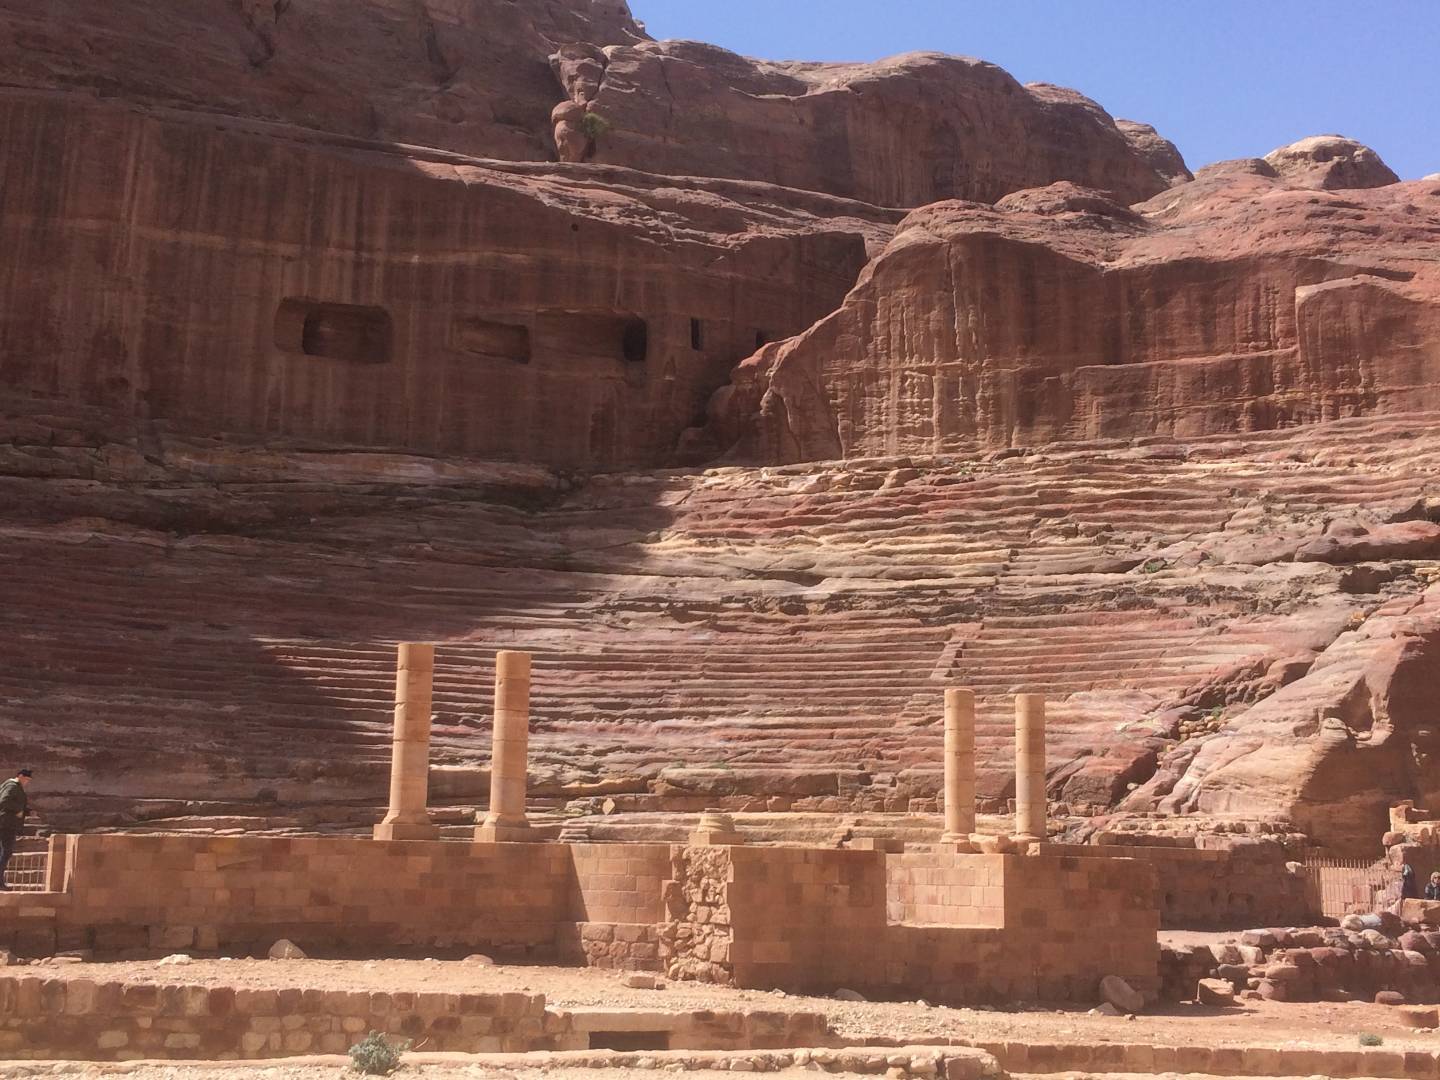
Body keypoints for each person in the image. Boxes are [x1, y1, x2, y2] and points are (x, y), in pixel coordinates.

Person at [0, 769, 31, 891]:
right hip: (6, 824)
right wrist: (18, 810)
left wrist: (26, 811)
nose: (27, 782)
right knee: (6, 852)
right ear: (20, 776)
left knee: (5, 852)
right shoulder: (12, 786)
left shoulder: (12, 786)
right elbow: (4, 801)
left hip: (6, 823)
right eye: (26, 779)